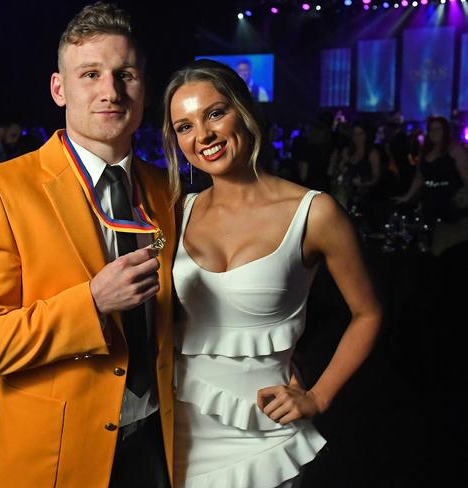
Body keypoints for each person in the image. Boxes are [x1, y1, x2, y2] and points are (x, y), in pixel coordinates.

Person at [0, 3, 176, 488]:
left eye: (126, 75)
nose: (110, 91)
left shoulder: (166, 189)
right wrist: (91, 304)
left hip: (162, 440)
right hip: (59, 455)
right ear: (59, 88)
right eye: (90, 74)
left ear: (144, 88)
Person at [162, 59, 382, 488]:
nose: (202, 135)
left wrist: (318, 395)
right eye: (183, 126)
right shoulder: (176, 212)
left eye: (214, 113)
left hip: (266, 431)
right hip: (179, 428)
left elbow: (368, 313)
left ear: (243, 111)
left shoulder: (314, 213)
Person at [394, 115, 468, 254]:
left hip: (449, 200)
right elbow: (419, 177)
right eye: (431, 130)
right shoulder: (425, 151)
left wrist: (463, 197)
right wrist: (407, 196)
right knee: (427, 237)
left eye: (438, 129)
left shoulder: (456, 150)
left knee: (447, 241)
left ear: (445, 131)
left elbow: (466, 178)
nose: (434, 133)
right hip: (429, 199)